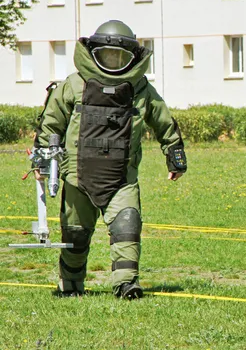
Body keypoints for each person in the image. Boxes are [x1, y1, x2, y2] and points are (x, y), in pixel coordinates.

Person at [33, 20, 187, 299]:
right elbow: (51, 123)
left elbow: (164, 122)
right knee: (75, 235)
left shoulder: (140, 89)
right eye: (107, 55)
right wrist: (42, 162)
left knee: (126, 226)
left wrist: (174, 156)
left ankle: (126, 283)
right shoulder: (74, 85)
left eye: (120, 57)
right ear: (94, 53)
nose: (114, 62)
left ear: (132, 58)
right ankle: (70, 285)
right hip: (77, 177)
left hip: (122, 179)